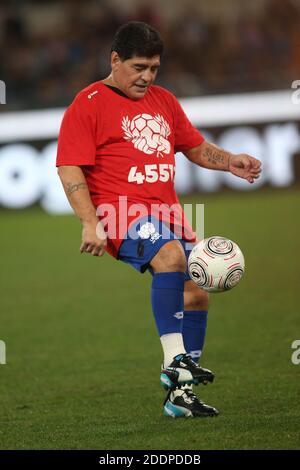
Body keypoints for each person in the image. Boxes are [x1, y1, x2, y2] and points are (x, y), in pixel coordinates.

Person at [56, 21, 261, 418]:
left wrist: (230, 160)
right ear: (115, 60)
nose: (147, 77)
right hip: (120, 214)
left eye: (153, 68)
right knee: (170, 257)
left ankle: (179, 397)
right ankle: (176, 362)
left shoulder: (163, 100)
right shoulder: (89, 103)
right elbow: (69, 168)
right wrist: (88, 222)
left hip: (168, 215)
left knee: (196, 292)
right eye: (138, 67)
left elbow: (195, 147)